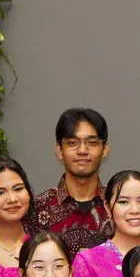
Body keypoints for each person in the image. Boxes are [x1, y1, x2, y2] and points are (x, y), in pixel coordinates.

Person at [33, 108, 113, 252]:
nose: (82, 151)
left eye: (92, 143)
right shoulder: (37, 209)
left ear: (105, 149)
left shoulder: (118, 206)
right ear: (59, 150)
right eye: (72, 143)